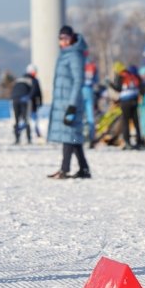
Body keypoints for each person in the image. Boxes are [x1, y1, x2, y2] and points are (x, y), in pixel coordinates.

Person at [47, 25, 92, 179]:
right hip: (64, 103)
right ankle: (84, 169)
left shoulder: (74, 56)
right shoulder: (66, 55)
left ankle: (64, 169)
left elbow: (78, 80)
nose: (63, 42)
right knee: (73, 137)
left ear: (72, 38)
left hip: (70, 103)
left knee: (69, 135)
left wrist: (72, 105)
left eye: (66, 38)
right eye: (61, 38)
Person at [108, 61, 142, 149]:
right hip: (134, 100)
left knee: (125, 122)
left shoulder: (121, 76)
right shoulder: (132, 75)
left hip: (125, 101)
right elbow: (140, 85)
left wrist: (110, 83)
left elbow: (119, 89)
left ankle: (127, 142)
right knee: (136, 121)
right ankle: (139, 141)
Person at [10, 68, 35, 144]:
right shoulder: (31, 81)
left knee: (16, 120)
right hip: (23, 100)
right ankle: (28, 139)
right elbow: (33, 92)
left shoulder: (18, 80)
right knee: (26, 120)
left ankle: (17, 139)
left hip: (14, 99)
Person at [82, 55, 98, 146]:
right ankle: (91, 137)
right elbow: (96, 80)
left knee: (81, 115)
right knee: (90, 115)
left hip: (81, 90)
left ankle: (82, 136)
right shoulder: (92, 66)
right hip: (90, 90)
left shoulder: (79, 64)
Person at [27, 64, 43, 138]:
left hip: (32, 103)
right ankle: (29, 133)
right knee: (28, 119)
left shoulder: (34, 80)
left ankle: (36, 132)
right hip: (29, 103)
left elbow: (39, 92)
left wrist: (40, 101)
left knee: (34, 119)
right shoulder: (30, 80)